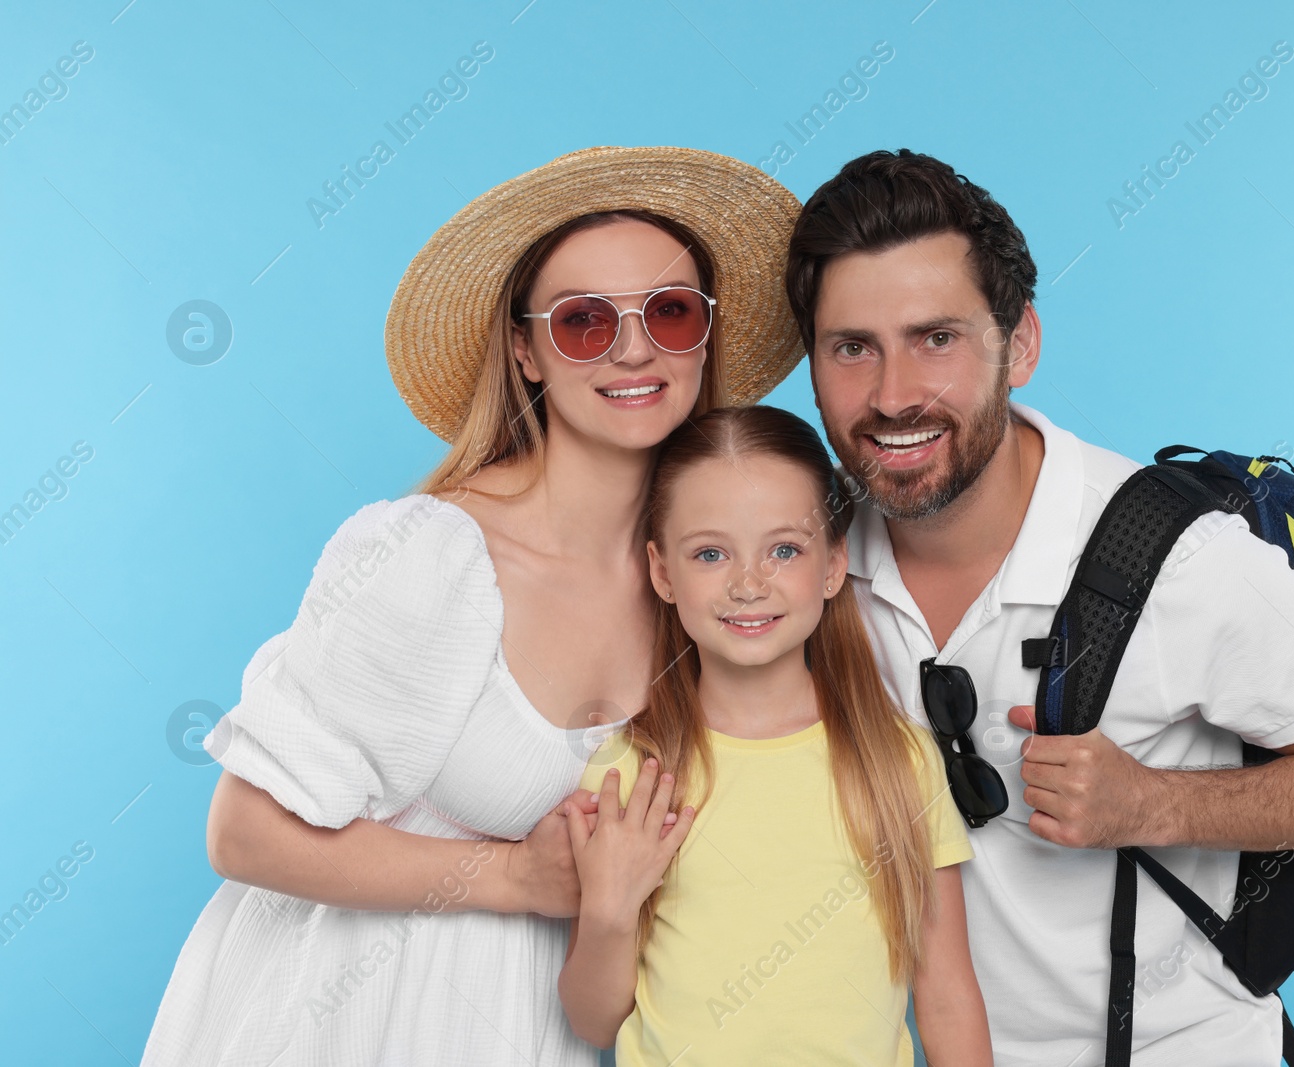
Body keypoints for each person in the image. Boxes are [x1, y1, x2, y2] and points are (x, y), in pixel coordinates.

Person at [139, 146, 806, 1066]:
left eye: (671, 310)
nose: (634, 346)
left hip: (541, 1027)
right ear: (525, 350)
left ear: (705, 336)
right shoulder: (432, 555)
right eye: (582, 321)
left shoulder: (716, 584)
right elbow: (241, 829)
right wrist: (511, 876)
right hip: (346, 1020)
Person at [784, 149, 1294, 1066]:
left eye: (936, 338)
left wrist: (1153, 802)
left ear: (1018, 345)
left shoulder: (1178, 556)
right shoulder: (802, 571)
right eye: (852, 347)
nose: (893, 395)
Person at [556, 405, 991, 1066]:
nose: (748, 583)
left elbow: (948, 996)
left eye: (784, 548)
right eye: (710, 552)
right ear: (663, 571)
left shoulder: (897, 760)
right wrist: (610, 914)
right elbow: (592, 1020)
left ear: (832, 564)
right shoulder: (632, 774)